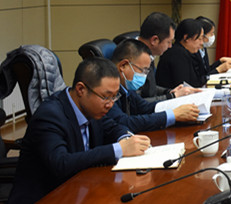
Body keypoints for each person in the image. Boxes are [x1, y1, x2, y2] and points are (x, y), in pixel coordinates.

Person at [9, 57, 151, 203]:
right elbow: (61, 163)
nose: (110, 104)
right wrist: (119, 149)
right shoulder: (50, 115)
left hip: (82, 188)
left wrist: (125, 139)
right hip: (47, 197)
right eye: (106, 97)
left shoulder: (92, 108)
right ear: (81, 89)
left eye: (114, 97)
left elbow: (113, 127)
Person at [106, 39, 199, 132]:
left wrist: (177, 104)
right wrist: (172, 115)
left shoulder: (125, 87)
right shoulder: (106, 89)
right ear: (123, 65)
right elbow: (125, 122)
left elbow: (145, 107)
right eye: (142, 70)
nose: (144, 76)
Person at [136, 12, 196, 101]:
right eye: (169, 42)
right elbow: (137, 103)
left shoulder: (147, 53)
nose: (170, 46)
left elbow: (149, 88)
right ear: (154, 40)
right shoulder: (133, 57)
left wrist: (170, 92)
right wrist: (172, 96)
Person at [156, 18, 207, 88]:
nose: (201, 43)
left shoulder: (182, 51)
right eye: (199, 39)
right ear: (186, 38)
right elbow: (186, 85)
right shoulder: (177, 54)